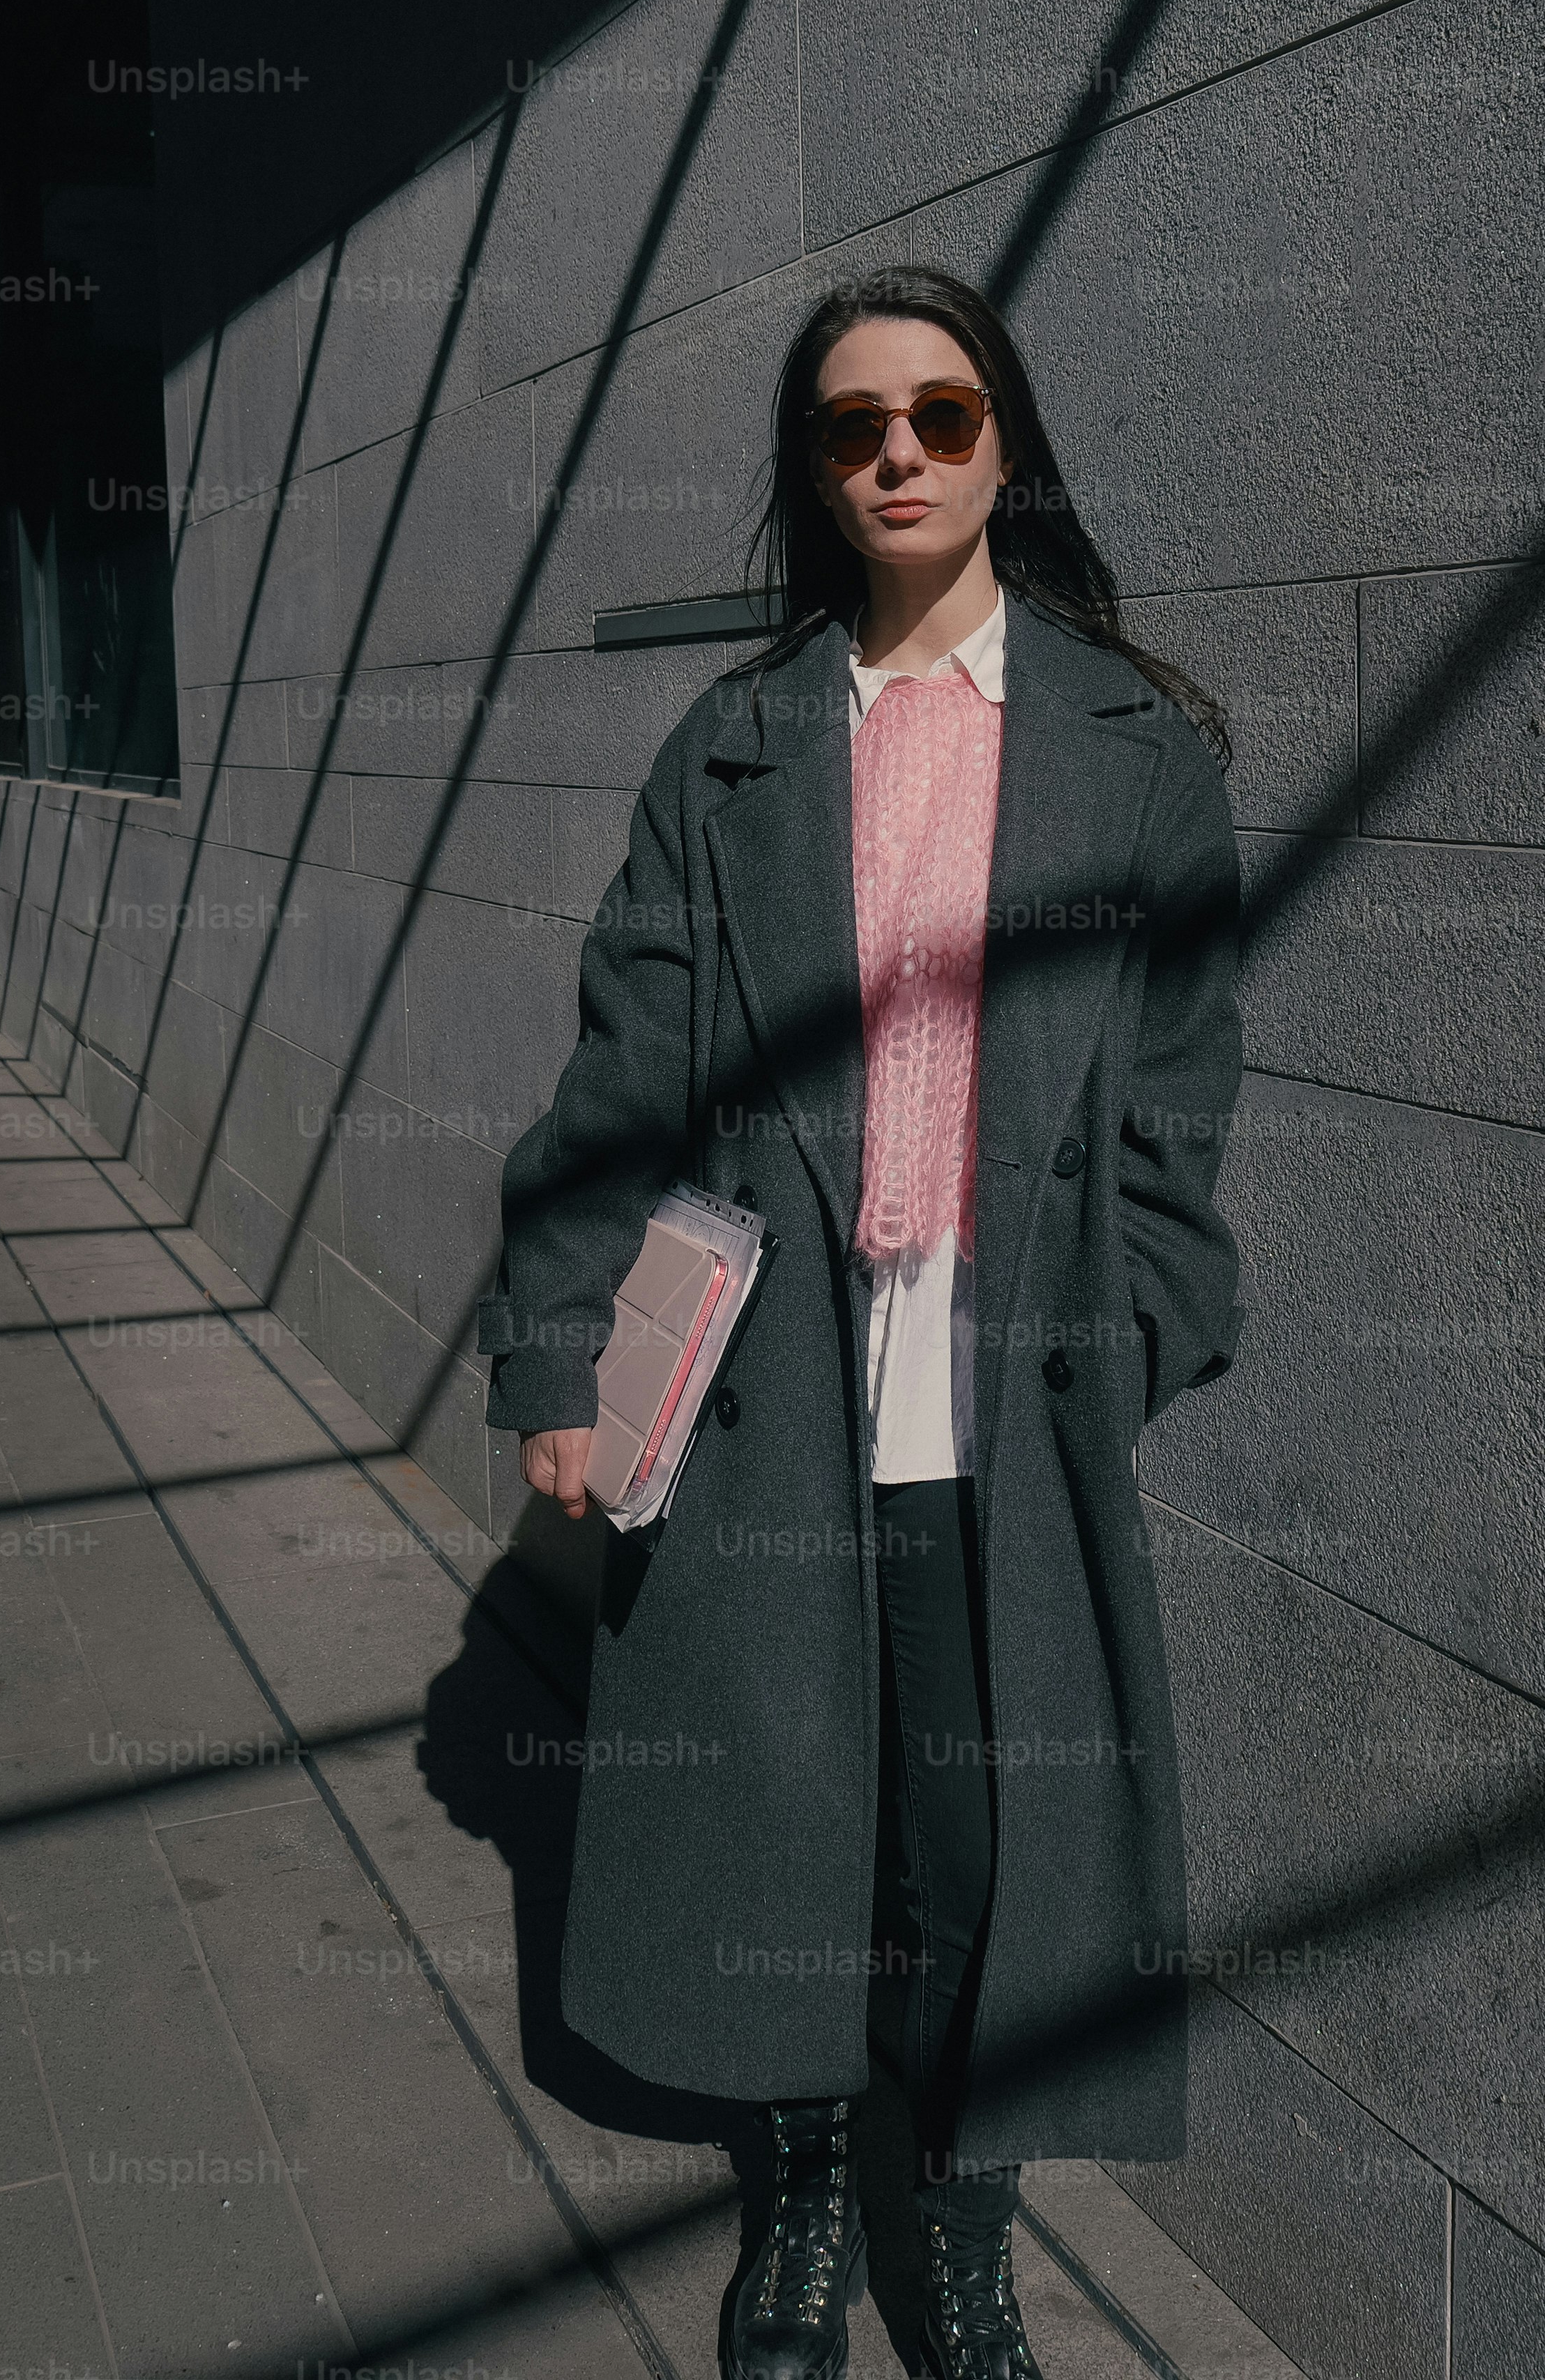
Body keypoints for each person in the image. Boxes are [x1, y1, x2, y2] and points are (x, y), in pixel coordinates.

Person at [485, 266, 1245, 2380]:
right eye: (850, 427)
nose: (896, 451)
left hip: (1009, 1409)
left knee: (986, 1847)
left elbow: (1182, 1100)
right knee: (790, 1822)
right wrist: (560, 1352)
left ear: (1006, 440)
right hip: (774, 1402)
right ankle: (811, 2189)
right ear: (814, 476)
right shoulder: (728, 754)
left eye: (938, 412)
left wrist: (1151, 1322)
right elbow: (619, 1078)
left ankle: (966, 2224)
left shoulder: (1139, 756)